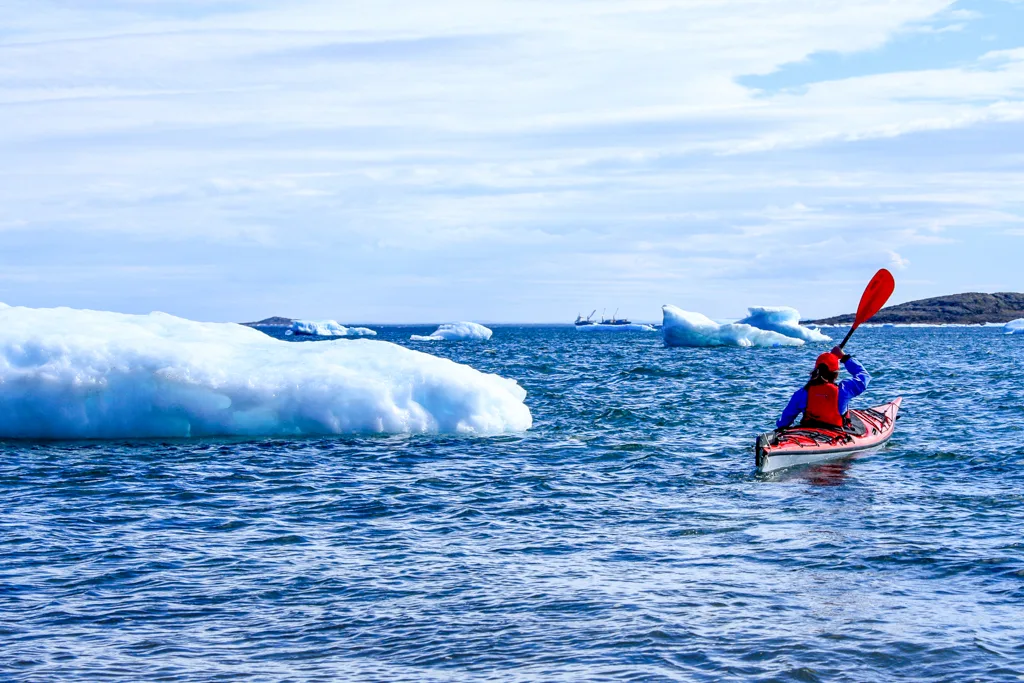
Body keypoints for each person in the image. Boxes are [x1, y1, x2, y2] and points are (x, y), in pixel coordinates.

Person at [776, 346, 870, 430]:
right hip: (835, 433)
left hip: (809, 431)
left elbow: (784, 422)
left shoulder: (802, 392)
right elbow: (864, 376)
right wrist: (844, 357)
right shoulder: (844, 390)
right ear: (836, 374)